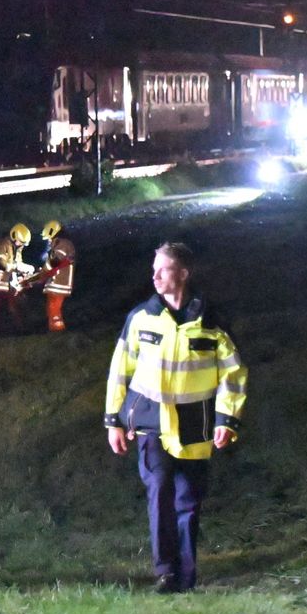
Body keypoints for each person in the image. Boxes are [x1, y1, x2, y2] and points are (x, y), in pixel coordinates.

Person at [104, 242, 248, 594]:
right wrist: (114, 421)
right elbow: (119, 371)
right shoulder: (141, 318)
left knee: (189, 502)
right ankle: (166, 572)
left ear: (183, 273)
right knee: (160, 493)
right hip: (151, 424)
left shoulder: (211, 321)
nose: (154, 276)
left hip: (195, 427)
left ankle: (187, 574)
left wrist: (226, 420)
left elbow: (234, 373)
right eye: (153, 269)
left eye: (163, 269)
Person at [0, 223, 34, 334]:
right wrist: (16, 267)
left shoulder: (16, 249)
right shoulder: (1, 245)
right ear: (14, 236)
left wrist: (26, 269)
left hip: (9, 282)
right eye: (20, 242)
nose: (21, 245)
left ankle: (20, 329)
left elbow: (18, 264)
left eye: (23, 244)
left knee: (14, 306)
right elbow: (0, 264)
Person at [36, 220, 76, 332]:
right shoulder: (59, 244)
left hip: (59, 283)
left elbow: (54, 262)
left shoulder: (62, 244)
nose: (48, 240)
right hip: (55, 282)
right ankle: (53, 329)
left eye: (49, 238)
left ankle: (57, 331)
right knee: (51, 308)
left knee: (54, 308)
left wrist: (42, 273)